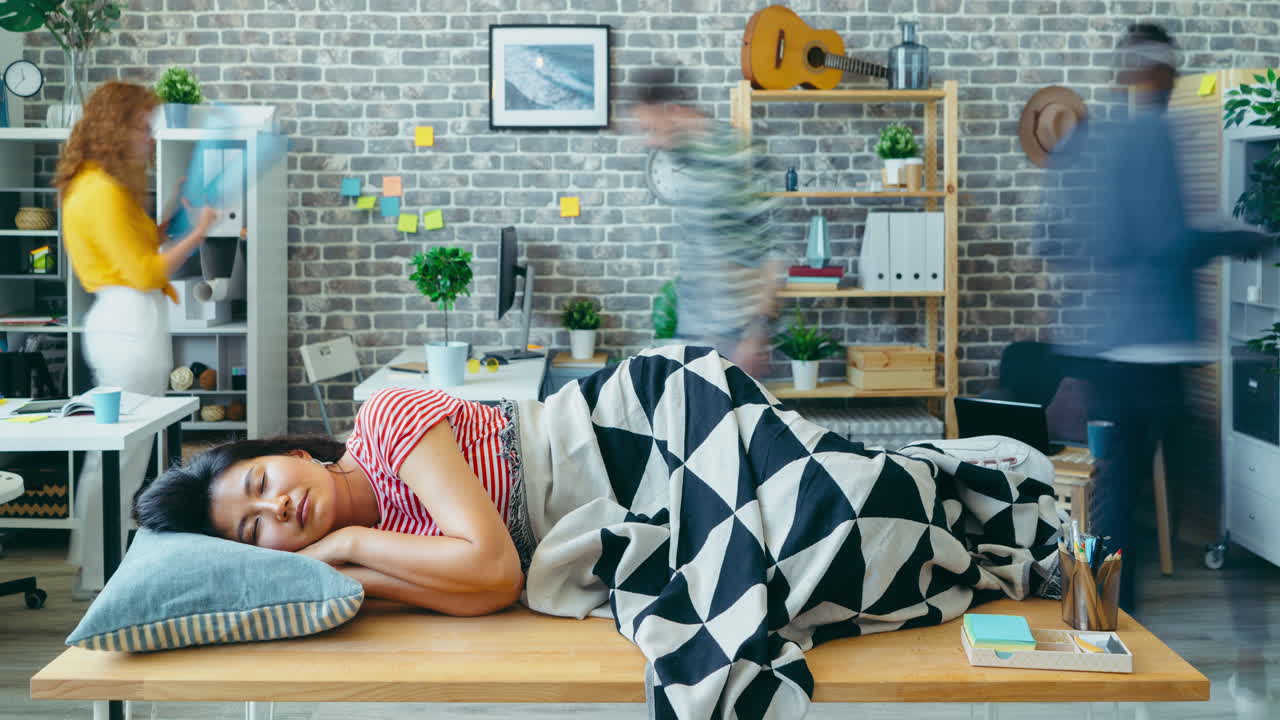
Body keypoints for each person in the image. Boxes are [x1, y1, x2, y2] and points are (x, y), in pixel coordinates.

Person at [137, 345, 1066, 719]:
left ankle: (976, 486)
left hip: (640, 428)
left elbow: (492, 568)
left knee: (847, 513)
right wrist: (352, 559)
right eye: (255, 528)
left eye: (261, 482)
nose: (277, 510)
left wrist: (341, 549)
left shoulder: (382, 419)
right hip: (628, 510)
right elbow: (489, 583)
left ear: (283, 451)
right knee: (848, 559)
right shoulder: (363, 560)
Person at [1047, 24, 1266, 615]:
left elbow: (1052, 237)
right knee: (1175, 475)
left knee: (1121, 485)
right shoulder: (1152, 137)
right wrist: (1239, 237)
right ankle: (1112, 610)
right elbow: (1166, 239)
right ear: (1159, 72)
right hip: (1146, 345)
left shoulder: (1087, 140)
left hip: (1101, 343)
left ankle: (1101, 607)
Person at [56, 81, 217, 597]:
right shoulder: (99, 190)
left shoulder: (97, 185)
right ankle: (100, 569)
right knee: (121, 450)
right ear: (115, 125)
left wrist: (171, 217)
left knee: (120, 449)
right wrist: (198, 233)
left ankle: (94, 563)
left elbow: (138, 249)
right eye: (142, 126)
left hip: (128, 318)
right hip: (128, 320)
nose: (149, 138)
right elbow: (146, 270)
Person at [631, 70, 779, 376]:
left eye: (651, 127)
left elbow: (773, 248)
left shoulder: (736, 153)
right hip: (697, 338)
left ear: (672, 112)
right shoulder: (687, 159)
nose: (650, 139)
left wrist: (755, 334)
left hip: (736, 342)